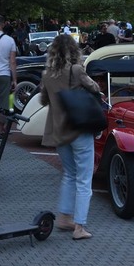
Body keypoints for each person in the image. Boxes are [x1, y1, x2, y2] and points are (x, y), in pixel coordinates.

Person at [40, 34, 99, 240]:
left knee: (69, 174)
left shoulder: (47, 74)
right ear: (74, 50)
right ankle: (79, 227)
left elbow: (43, 100)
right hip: (79, 128)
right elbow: (95, 88)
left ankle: (65, 218)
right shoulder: (76, 70)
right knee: (84, 179)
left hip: (59, 131)